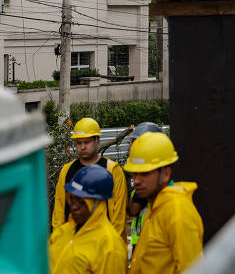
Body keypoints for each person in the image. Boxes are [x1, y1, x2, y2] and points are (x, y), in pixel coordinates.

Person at [124, 132, 203, 273]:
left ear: (165, 174)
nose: (136, 180)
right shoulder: (156, 205)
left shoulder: (178, 212)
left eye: (145, 173)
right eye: (134, 174)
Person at [52, 117, 128, 237]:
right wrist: (59, 239)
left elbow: (119, 215)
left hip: (103, 244)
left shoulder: (112, 170)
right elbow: (59, 210)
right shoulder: (67, 170)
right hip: (73, 242)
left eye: (87, 142)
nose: (82, 147)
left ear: (97, 142)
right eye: (79, 143)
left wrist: (112, 245)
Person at [48, 164, 128, 274]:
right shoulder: (62, 232)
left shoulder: (110, 246)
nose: (74, 207)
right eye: (72, 199)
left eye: (82, 202)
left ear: (98, 204)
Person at [125, 122, 162, 259]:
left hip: (152, 248)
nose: (131, 147)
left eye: (136, 143)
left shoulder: (155, 185)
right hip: (139, 243)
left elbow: (133, 209)